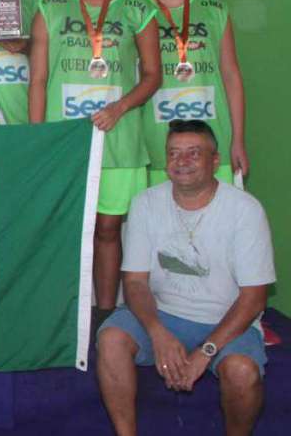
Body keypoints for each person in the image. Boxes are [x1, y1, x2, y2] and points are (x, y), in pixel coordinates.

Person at [96, 120, 274, 436]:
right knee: (110, 339)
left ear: (215, 160)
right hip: (161, 313)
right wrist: (157, 332)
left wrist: (206, 352)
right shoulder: (145, 202)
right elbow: (135, 282)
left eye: (194, 153)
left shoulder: (245, 210)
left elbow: (254, 298)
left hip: (226, 321)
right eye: (174, 153)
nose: (182, 162)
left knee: (242, 372)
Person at [29, 0, 161, 329]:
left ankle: (104, 313)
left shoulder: (139, 8)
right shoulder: (50, 9)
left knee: (107, 230)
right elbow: (37, 80)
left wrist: (120, 108)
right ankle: (66, 313)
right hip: (65, 141)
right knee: (67, 229)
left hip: (118, 138)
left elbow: (153, 76)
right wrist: (39, 139)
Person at [142, 0, 247, 185]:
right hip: (155, 138)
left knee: (216, 221)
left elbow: (231, 76)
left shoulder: (216, 11)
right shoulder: (135, 10)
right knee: (161, 221)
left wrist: (238, 139)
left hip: (212, 132)